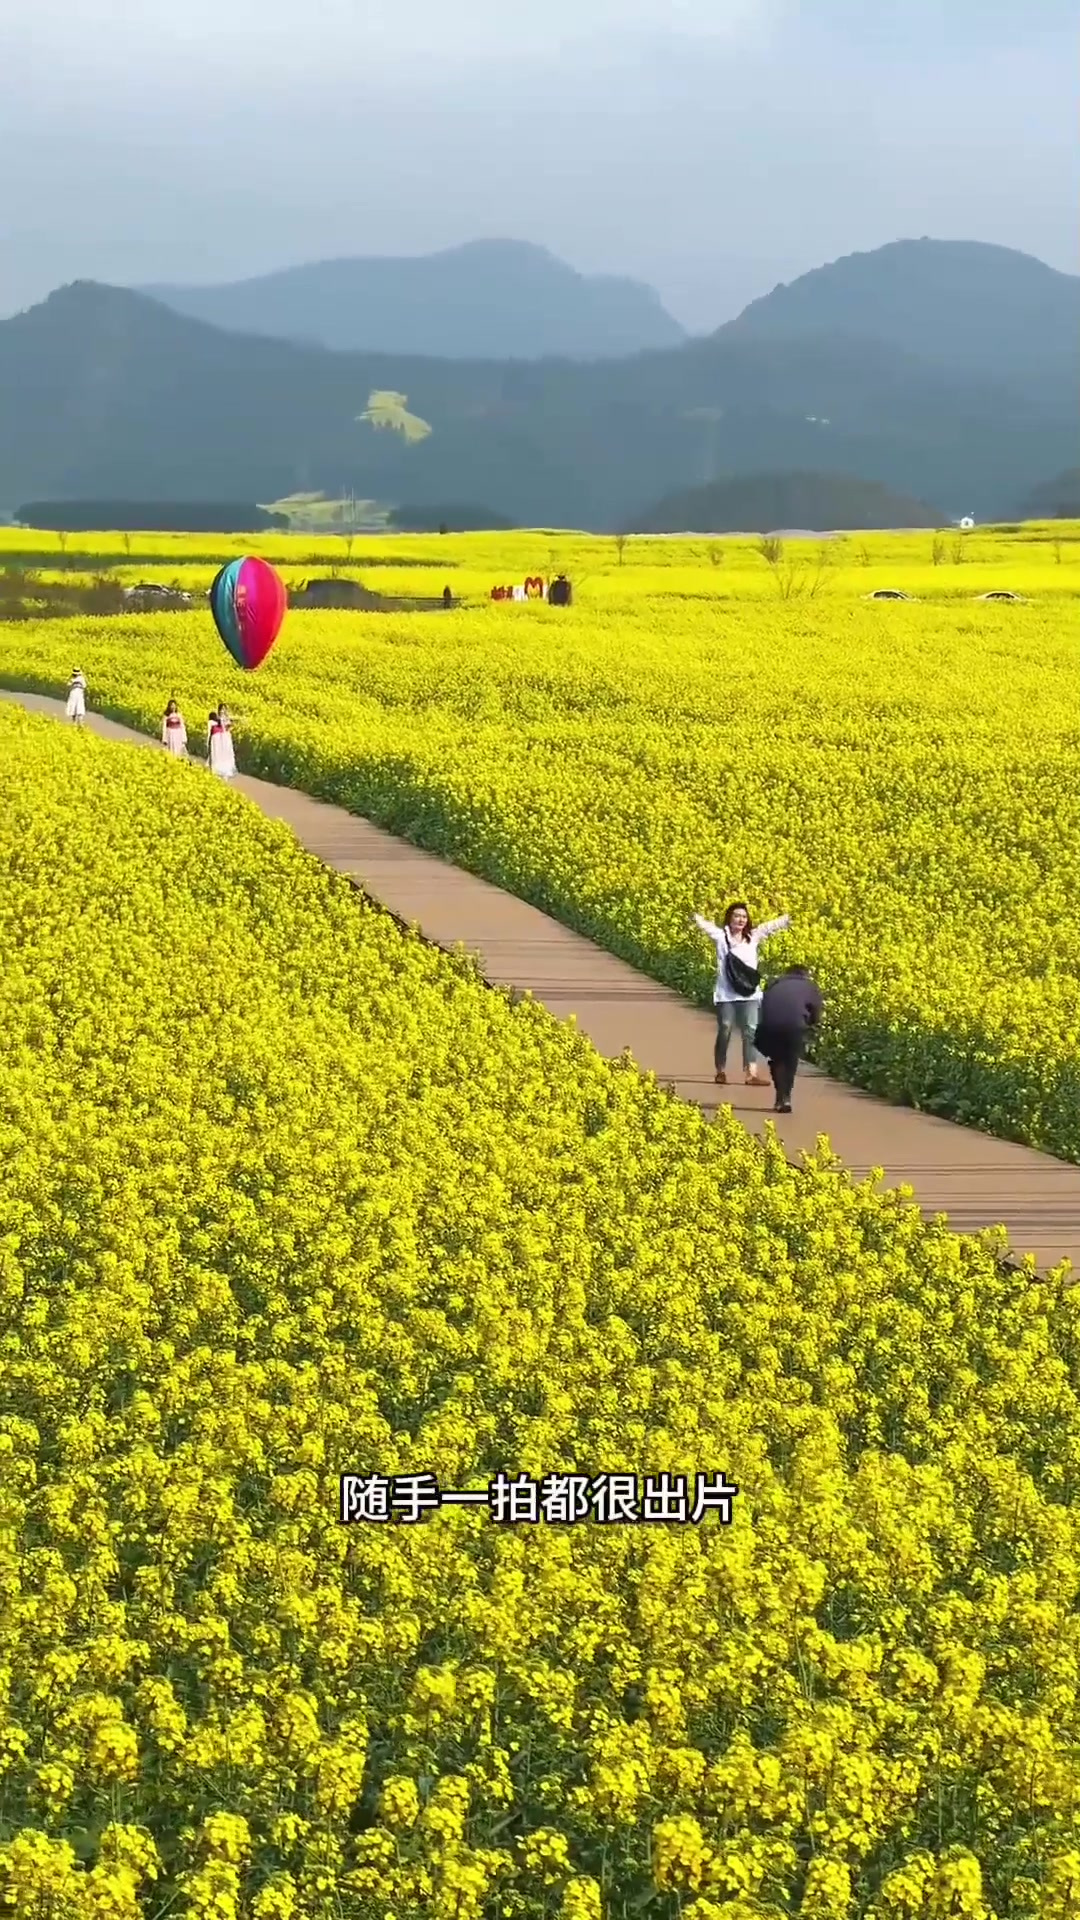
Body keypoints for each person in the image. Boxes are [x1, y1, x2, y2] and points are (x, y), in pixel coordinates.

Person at [693, 901, 791, 1085]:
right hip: (726, 994)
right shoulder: (721, 937)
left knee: (750, 1031)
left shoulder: (753, 937)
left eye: (744, 917)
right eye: (737, 916)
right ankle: (720, 1070)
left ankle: (751, 1073)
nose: (741, 919)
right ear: (729, 918)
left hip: (749, 993)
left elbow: (769, 927)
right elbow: (705, 926)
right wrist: (694, 916)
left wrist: (787, 918)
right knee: (725, 1029)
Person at [753, 965, 824, 1113]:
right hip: (794, 1026)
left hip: (769, 1026)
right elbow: (816, 1013)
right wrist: (810, 1025)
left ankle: (780, 1095)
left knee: (777, 1059)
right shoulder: (809, 986)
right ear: (805, 974)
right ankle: (785, 1098)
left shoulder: (774, 983)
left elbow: (763, 1006)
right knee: (790, 1060)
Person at [207, 710, 234, 780]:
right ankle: (220, 770)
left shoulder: (223, 720)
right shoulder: (216, 722)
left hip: (220, 740)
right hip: (219, 740)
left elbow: (229, 729)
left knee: (219, 755)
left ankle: (220, 771)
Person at [216, 703, 237, 779]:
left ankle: (227, 769)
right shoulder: (217, 718)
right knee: (221, 751)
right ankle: (220, 769)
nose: (222, 711)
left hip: (227, 736)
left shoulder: (227, 718)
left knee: (227, 751)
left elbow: (230, 726)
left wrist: (230, 726)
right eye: (221, 709)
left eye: (224, 709)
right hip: (220, 736)